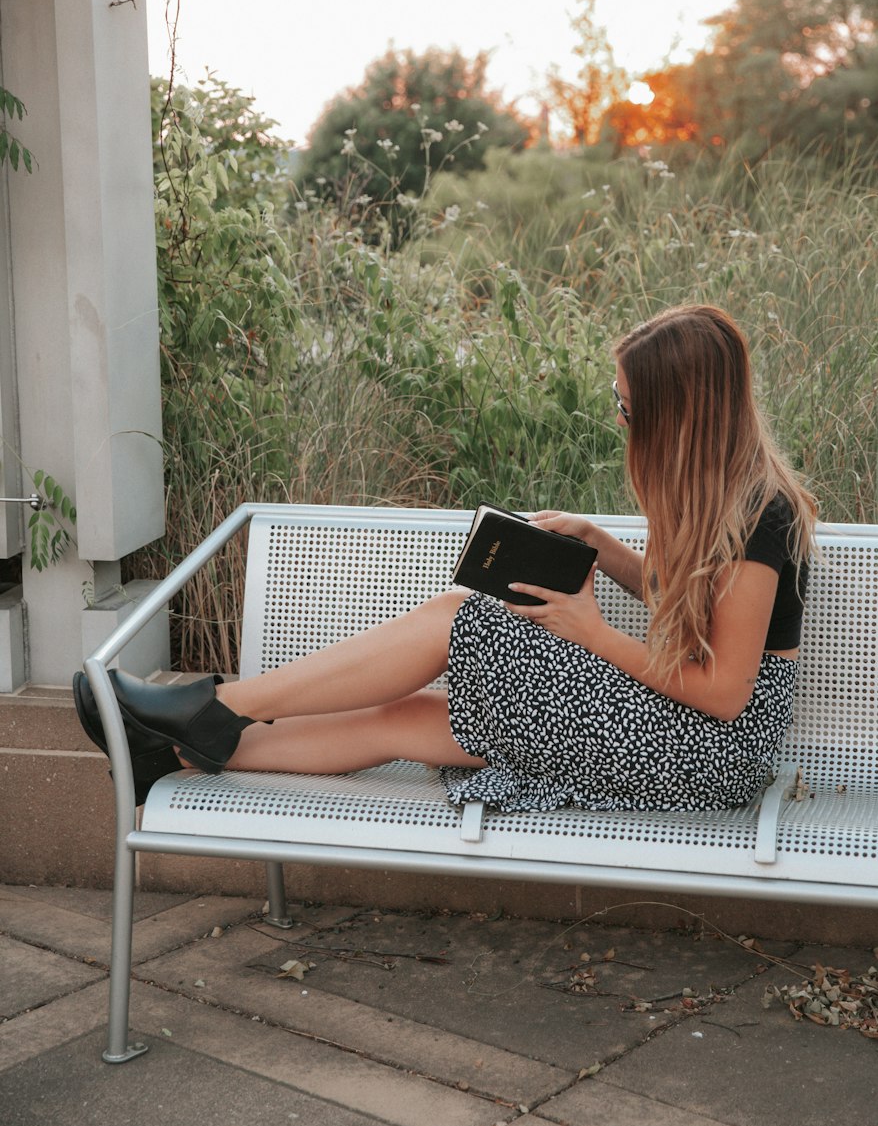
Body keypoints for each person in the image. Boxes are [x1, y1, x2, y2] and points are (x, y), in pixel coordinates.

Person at [74, 303, 817, 813]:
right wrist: (602, 546)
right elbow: (691, 612)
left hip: (710, 753)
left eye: (626, 406)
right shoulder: (712, 495)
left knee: (462, 618)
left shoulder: (763, 518)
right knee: (403, 720)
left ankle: (218, 707)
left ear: (679, 418)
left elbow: (724, 691)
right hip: (672, 730)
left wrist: (590, 631)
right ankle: (166, 758)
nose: (618, 418)